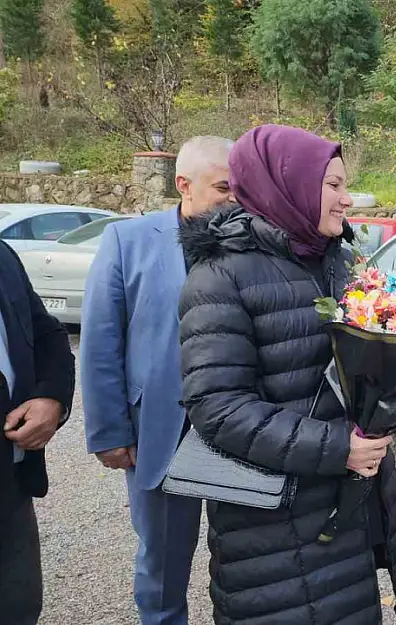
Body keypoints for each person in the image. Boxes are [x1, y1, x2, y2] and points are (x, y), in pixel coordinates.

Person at [177, 124, 396, 625]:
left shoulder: (335, 263)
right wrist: (338, 448)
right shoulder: (221, 276)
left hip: (345, 510)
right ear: (286, 185)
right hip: (272, 529)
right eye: (332, 185)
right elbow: (217, 408)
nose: (346, 198)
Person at [81, 135, 233, 625]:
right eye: (223, 188)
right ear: (183, 185)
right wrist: (109, 432)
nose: (234, 200)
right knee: (163, 561)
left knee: (245, 556)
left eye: (240, 189)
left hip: (237, 429)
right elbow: (102, 342)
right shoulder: (127, 241)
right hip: (160, 430)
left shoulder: (248, 241)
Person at [0, 240, 75, 624]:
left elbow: (48, 336)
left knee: (17, 606)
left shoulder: (3, 255)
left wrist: (51, 397)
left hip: (11, 485)